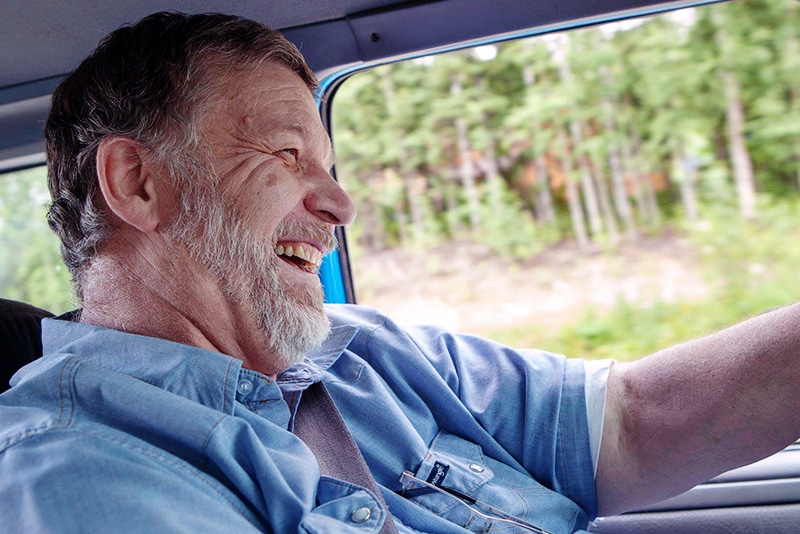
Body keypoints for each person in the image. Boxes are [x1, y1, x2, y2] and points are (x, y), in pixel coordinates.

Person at [1, 11, 798, 534]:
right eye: (286, 154)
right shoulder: (76, 475)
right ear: (138, 183)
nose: (340, 204)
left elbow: (626, 421)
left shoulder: (369, 355)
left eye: (331, 165)